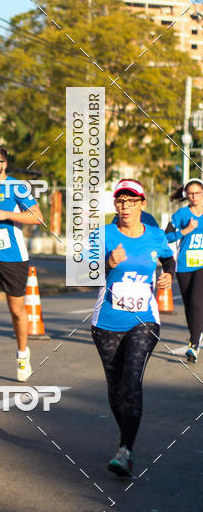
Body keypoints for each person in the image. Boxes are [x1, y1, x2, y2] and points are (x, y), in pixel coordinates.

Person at [91, 179, 175, 476]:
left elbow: (168, 259)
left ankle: (126, 451)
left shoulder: (154, 235)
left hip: (144, 320)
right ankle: (126, 436)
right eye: (120, 201)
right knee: (116, 389)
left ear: (142, 204)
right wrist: (106, 263)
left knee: (131, 381)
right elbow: (84, 274)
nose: (125, 206)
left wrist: (167, 276)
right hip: (106, 322)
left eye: (131, 200)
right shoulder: (103, 235)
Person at [0, 145, 43, 384]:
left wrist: (4, 214)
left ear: (4, 164)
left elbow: (37, 217)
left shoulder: (17, 187)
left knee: (17, 311)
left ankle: (23, 354)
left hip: (13, 256)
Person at [166, 178, 203, 363]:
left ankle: (194, 345)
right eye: (191, 193)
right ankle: (195, 335)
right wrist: (186, 230)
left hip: (202, 266)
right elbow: (166, 237)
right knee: (189, 305)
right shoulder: (181, 214)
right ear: (186, 195)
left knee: (197, 302)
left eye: (197, 193)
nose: (194, 196)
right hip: (184, 265)